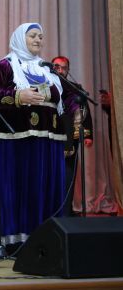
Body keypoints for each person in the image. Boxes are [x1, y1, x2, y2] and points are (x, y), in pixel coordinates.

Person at [0, 22, 66, 252]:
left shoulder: (46, 68)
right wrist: (18, 96)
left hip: (46, 140)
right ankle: (14, 239)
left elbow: (62, 96)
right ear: (20, 38)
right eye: (33, 36)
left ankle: (45, 238)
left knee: (43, 187)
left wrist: (69, 104)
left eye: (41, 36)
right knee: (19, 187)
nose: (38, 40)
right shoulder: (5, 66)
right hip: (16, 141)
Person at [51, 55, 93, 216]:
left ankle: (66, 212)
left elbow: (85, 110)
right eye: (57, 67)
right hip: (50, 136)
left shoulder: (75, 88)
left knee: (68, 175)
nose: (60, 70)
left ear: (68, 70)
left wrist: (88, 134)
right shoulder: (45, 86)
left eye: (64, 68)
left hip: (70, 138)